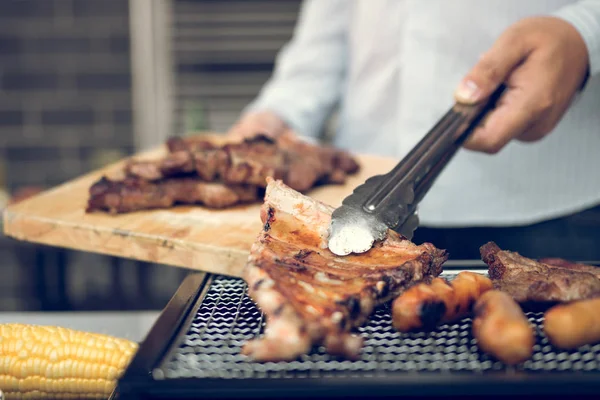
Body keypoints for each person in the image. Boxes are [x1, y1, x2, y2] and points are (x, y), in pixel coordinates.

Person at [227, 0, 600, 260]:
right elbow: (328, 31)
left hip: (552, 209)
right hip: (347, 199)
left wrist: (584, 35)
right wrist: (279, 113)